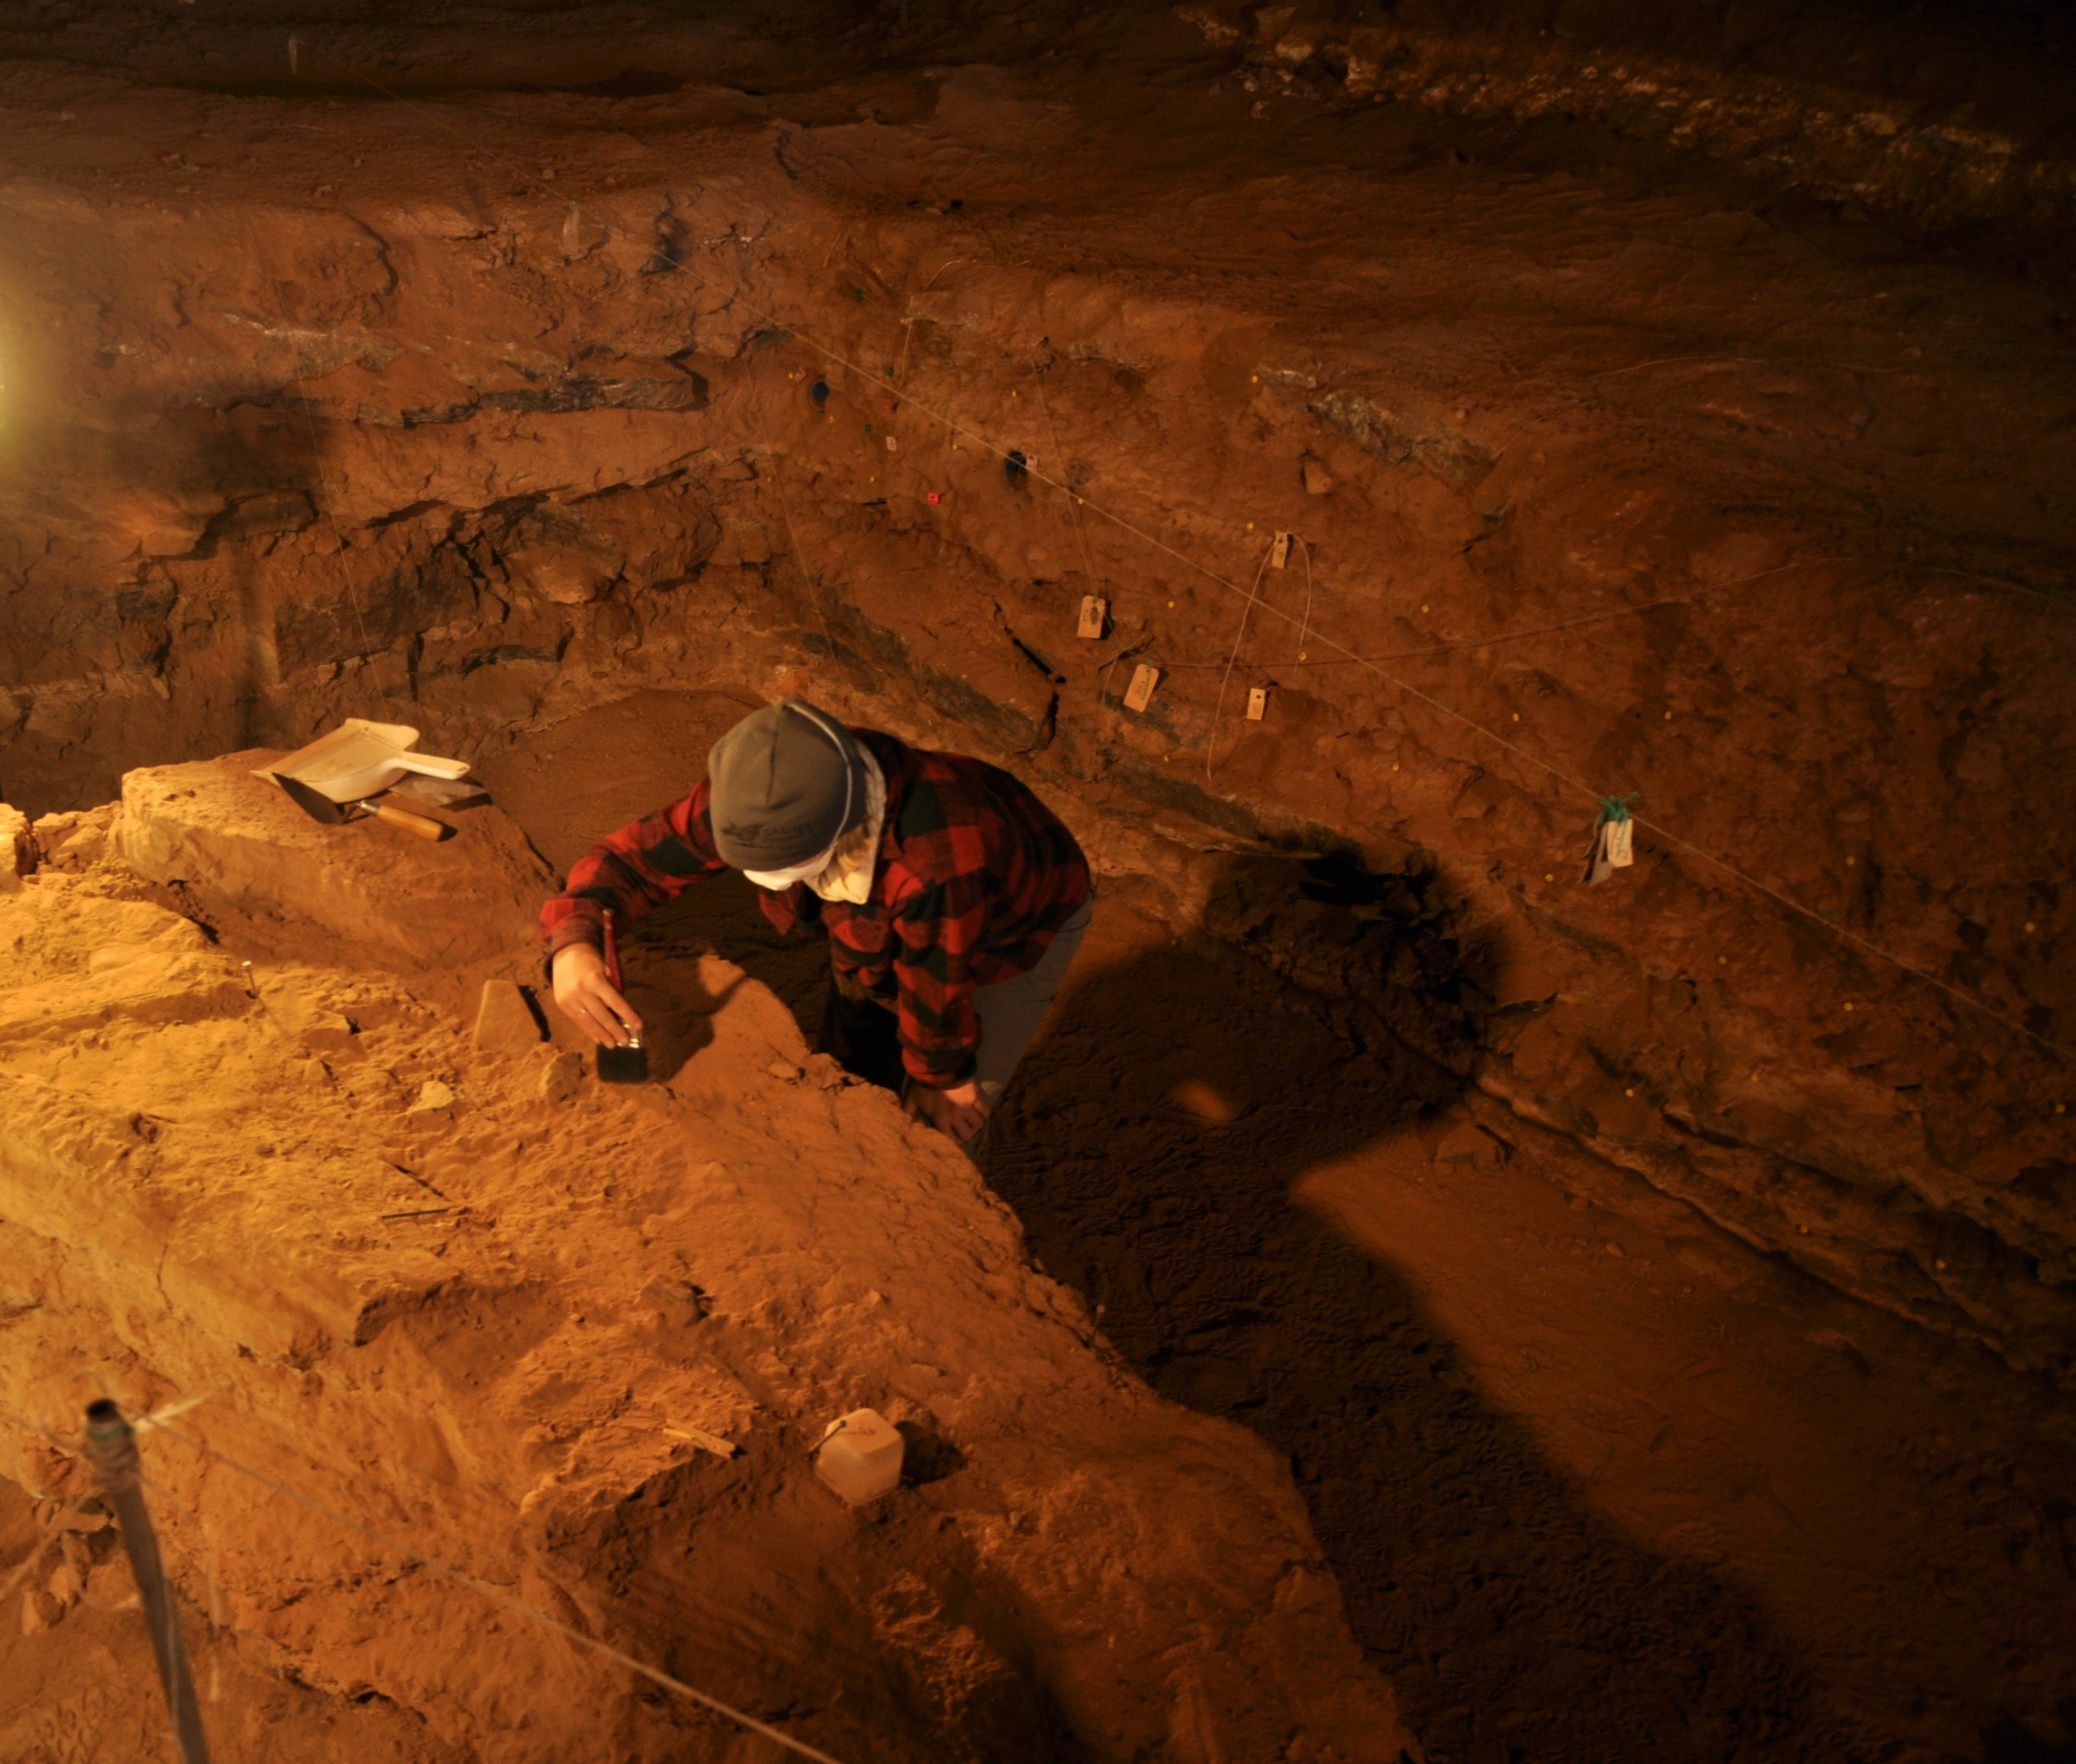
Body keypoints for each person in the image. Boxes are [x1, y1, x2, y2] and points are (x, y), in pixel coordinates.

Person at [540, 698, 1093, 1150]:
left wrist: (941, 1076)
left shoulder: (935, 864)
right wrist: (576, 941)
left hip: (1012, 926)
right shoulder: (762, 790)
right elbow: (635, 861)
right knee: (857, 1042)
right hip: (893, 911)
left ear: (845, 829)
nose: (772, 885)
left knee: (948, 1114)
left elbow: (937, 986)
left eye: (789, 870)